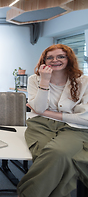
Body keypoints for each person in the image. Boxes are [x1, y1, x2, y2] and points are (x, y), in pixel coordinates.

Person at [17, 44, 88, 197]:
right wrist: (44, 80)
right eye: (50, 57)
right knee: (53, 158)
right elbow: (39, 109)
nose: (55, 60)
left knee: (57, 152)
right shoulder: (34, 79)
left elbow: (85, 119)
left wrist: (48, 113)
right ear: (44, 61)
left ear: (69, 59)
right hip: (40, 125)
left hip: (74, 128)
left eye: (61, 56)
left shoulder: (84, 81)